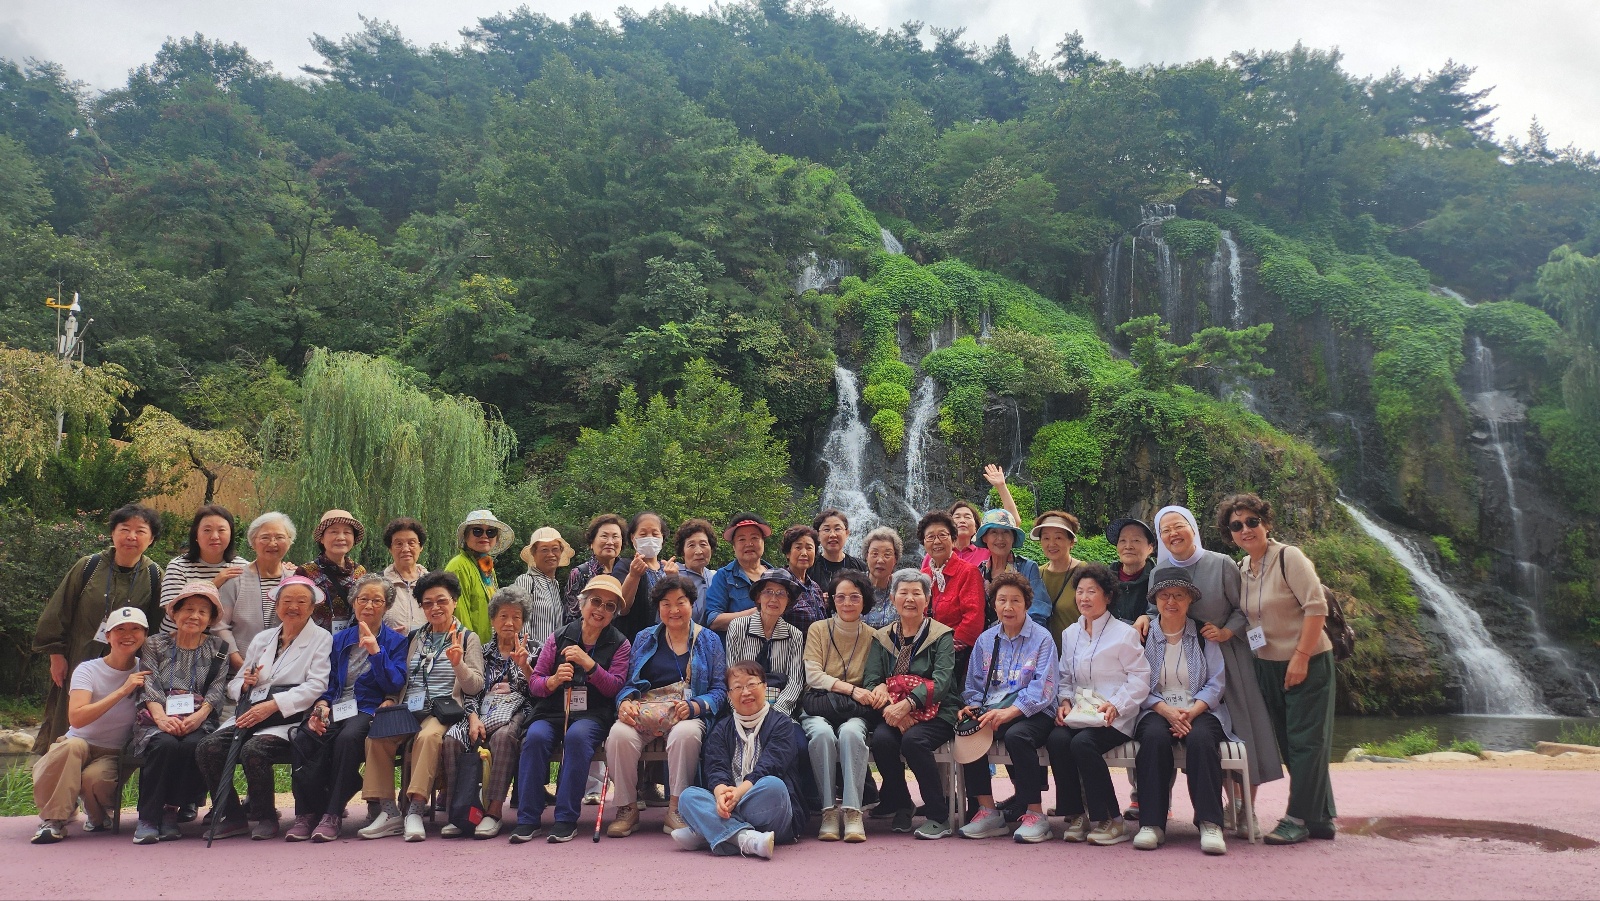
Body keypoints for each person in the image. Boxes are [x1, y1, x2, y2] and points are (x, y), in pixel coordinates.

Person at [1220, 493, 1337, 845]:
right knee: (1291, 742)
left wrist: (1301, 656)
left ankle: (1297, 818)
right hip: (1267, 665)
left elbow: (1316, 607)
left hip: (1307, 661)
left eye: (1252, 521)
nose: (1245, 529)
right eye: (1236, 525)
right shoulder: (1242, 568)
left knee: (1305, 742)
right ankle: (1321, 817)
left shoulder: (1289, 557)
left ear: (1266, 523)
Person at [1144, 505, 1282, 795]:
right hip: (1182, 666)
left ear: (1193, 529)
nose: (1173, 533)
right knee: (1203, 736)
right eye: (1165, 530)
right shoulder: (1158, 570)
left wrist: (1225, 631)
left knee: (1243, 728)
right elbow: (1155, 610)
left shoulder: (1220, 564)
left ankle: (1245, 806)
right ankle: (1218, 802)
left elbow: (1244, 609)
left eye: (1179, 526)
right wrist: (1143, 618)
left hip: (1228, 658)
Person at [197, 574, 332, 841]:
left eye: (301, 602)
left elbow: (317, 685)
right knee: (207, 747)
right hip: (253, 712)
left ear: (312, 607)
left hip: (290, 717)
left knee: (254, 749)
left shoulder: (321, 638)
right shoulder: (263, 639)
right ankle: (232, 815)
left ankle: (265, 815)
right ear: (277, 605)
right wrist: (245, 684)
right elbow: (234, 685)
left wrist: (273, 705)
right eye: (287, 601)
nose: (293, 607)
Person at [360, 571, 485, 842]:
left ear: (454, 602)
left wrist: (458, 665)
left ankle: (415, 809)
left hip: (442, 709)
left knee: (428, 737)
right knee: (377, 737)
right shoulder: (416, 636)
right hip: (409, 707)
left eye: (441, 601)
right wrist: (391, 698)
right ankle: (389, 811)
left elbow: (475, 686)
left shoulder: (467, 638)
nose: (435, 608)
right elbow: (402, 676)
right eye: (427, 603)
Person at [33, 503, 163, 751]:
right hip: (80, 655)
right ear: (113, 533)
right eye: (124, 529)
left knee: (118, 717)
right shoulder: (89, 566)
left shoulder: (154, 574)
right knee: (68, 715)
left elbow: (157, 626)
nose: (131, 536)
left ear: (151, 539)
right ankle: (57, 764)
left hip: (127, 663)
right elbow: (60, 608)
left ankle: (109, 768)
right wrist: (56, 655)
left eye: (140, 531)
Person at [605, 575, 726, 837]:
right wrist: (625, 702)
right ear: (658, 607)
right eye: (666, 603)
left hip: (686, 713)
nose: (674, 610)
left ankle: (676, 809)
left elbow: (720, 690)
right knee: (618, 734)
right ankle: (627, 808)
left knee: (686, 734)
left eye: (680, 602)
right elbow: (628, 683)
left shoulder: (709, 640)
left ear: (692, 604)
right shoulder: (644, 638)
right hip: (646, 709)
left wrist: (696, 706)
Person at [513, 576, 631, 843]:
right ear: (582, 603)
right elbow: (536, 684)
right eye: (596, 601)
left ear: (614, 613)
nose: (600, 610)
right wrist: (554, 680)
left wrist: (590, 665)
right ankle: (528, 818)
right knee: (535, 737)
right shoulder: (559, 637)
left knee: (577, 737)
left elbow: (615, 687)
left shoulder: (620, 643)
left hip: (593, 713)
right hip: (553, 709)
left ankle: (566, 818)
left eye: (609, 606)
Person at [291, 574, 407, 841]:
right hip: (336, 705)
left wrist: (376, 653)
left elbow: (395, 682)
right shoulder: (339, 639)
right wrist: (322, 704)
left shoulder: (396, 641)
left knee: (347, 738)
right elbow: (328, 680)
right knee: (304, 736)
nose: (369, 605)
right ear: (354, 603)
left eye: (377, 600)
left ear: (387, 606)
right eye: (363, 599)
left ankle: (332, 814)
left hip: (367, 708)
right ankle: (305, 813)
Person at [1132, 568, 1235, 855]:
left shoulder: (1204, 634)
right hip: (1155, 707)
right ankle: (1151, 824)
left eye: (1178, 595)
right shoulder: (1142, 635)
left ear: (1190, 599)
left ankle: (1210, 823)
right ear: (1156, 600)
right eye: (1164, 595)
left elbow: (1216, 682)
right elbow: (1135, 680)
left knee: (1202, 739)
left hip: (1199, 709)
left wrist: (1191, 711)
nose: (1171, 601)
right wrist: (1165, 710)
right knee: (1154, 738)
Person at [1045, 563, 1150, 846]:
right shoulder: (1070, 633)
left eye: (1092, 591)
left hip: (1115, 715)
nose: (1084, 598)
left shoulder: (1124, 633)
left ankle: (1112, 820)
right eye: (1080, 591)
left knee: (1083, 744)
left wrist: (1116, 704)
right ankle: (1076, 814)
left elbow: (1140, 678)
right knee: (1057, 739)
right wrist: (1064, 702)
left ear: (1108, 596)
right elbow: (1065, 676)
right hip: (1081, 712)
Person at [29, 606, 148, 844]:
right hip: (79, 742)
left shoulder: (146, 670)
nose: (128, 635)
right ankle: (53, 820)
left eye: (135, 629)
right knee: (70, 747)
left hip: (113, 751)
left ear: (144, 635)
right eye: (120, 629)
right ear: (108, 636)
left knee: (96, 779)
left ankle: (96, 814)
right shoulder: (88, 669)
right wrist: (123, 690)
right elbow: (77, 718)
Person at [957, 572, 1059, 844]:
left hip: (1035, 711)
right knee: (970, 731)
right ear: (994, 604)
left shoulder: (1042, 638)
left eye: (1016, 600)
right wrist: (973, 707)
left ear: (1027, 604)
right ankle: (988, 811)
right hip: (994, 708)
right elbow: (974, 684)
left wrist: (1011, 712)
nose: (1008, 607)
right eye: (1002, 600)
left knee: (1018, 736)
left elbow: (1044, 688)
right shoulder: (986, 639)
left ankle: (1035, 814)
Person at [127, 582, 230, 844]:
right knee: (164, 745)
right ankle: (148, 818)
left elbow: (216, 690)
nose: (194, 616)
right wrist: (162, 719)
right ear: (175, 613)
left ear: (210, 619)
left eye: (202, 612)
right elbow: (149, 684)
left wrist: (198, 717)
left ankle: (171, 811)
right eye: (188, 609)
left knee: (195, 745)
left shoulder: (219, 647)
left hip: (199, 718)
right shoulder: (154, 644)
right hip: (157, 716)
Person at [671, 661, 807, 859]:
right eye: (737, 687)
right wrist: (720, 794)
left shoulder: (782, 723)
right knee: (687, 797)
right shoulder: (722, 728)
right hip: (729, 801)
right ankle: (745, 839)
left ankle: (707, 830)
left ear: (764, 686)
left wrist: (737, 795)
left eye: (751, 684)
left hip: (770, 810)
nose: (746, 692)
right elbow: (715, 768)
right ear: (728, 694)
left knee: (774, 786)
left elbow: (771, 766)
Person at [863, 568, 960, 840]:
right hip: (894, 711)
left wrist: (907, 705)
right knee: (882, 739)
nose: (909, 599)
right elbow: (871, 681)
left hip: (939, 711)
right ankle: (902, 803)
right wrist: (891, 709)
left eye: (916, 593)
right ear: (892, 598)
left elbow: (942, 682)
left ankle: (938, 816)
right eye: (903, 592)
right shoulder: (883, 637)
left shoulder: (940, 635)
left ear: (927, 600)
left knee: (914, 741)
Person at [441, 585, 536, 839]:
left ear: (523, 621)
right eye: (503, 616)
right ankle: (459, 812)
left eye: (516, 617)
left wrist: (525, 668)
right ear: (493, 619)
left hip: (517, 712)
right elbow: (470, 690)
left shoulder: (534, 649)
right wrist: (472, 718)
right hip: (480, 711)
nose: (509, 622)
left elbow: (538, 692)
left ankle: (493, 812)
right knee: (452, 738)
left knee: (503, 737)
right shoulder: (482, 651)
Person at [802, 571, 877, 843]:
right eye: (840, 597)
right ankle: (828, 811)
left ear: (864, 600)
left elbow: (876, 677)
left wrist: (867, 691)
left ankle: (853, 811)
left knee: (851, 734)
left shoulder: (873, 636)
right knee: (822, 735)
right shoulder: (818, 629)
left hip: (854, 710)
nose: (847, 603)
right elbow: (813, 675)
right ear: (832, 600)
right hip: (819, 703)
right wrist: (851, 689)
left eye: (854, 597)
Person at [216, 511, 297, 670]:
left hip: (284, 670)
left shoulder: (296, 580)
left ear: (290, 541)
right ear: (253, 542)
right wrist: (236, 660)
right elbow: (220, 625)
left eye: (280, 537)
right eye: (265, 537)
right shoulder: (236, 579)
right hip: (239, 669)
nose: (272, 543)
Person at [158, 504, 251, 628]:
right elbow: (173, 611)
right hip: (177, 637)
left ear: (231, 534)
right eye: (207, 530)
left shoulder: (242, 567)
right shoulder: (178, 566)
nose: (214, 536)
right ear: (196, 535)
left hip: (224, 639)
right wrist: (213, 584)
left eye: (221, 530)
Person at [917, 511, 984, 679]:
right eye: (930, 537)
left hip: (954, 658)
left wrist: (943, 651)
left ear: (953, 539)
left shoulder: (968, 572)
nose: (937, 541)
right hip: (924, 653)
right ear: (924, 543)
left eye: (942, 535)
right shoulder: (923, 576)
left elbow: (973, 619)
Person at [443, 509, 515, 644]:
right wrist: (470, 647)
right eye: (477, 531)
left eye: (491, 532)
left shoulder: (487, 567)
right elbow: (459, 614)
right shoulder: (458, 566)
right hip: (469, 647)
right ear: (466, 536)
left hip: (488, 646)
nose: (485, 536)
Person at [935, 463, 1022, 569]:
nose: (962, 520)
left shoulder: (988, 551)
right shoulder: (938, 552)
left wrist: (1001, 486)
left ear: (976, 527)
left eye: (967, 517)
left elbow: (1013, 522)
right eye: (957, 517)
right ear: (948, 526)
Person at [297, 510, 368, 634]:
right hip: (316, 641)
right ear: (322, 538)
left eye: (347, 532)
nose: (341, 537)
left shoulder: (359, 572)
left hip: (352, 640)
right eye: (334, 532)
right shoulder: (306, 572)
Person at [974, 509, 1048, 627]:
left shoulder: (1027, 568)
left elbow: (1038, 611)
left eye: (1006, 532)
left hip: (1022, 635)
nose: (1000, 538)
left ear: (1013, 538)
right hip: (985, 637)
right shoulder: (978, 572)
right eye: (994, 532)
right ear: (984, 538)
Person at [702, 512, 773, 631]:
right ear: (734, 547)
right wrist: (756, 614)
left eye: (754, 538)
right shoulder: (724, 576)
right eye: (741, 539)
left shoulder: (776, 576)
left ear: (763, 542)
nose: (749, 544)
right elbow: (713, 620)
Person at [513, 526, 575, 652]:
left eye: (555, 549)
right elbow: (520, 625)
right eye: (544, 550)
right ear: (534, 553)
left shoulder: (554, 585)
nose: (551, 554)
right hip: (532, 657)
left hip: (552, 657)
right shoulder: (526, 581)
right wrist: (529, 656)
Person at [617, 510, 676, 640]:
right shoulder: (625, 566)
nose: (650, 538)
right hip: (634, 641)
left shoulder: (668, 568)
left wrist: (674, 580)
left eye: (655, 534)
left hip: (666, 641)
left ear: (662, 538)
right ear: (633, 537)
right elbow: (621, 609)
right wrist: (633, 576)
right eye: (643, 534)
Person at [563, 514, 630, 624]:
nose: (610, 542)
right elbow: (571, 618)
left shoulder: (630, 571)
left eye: (615, 537)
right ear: (591, 542)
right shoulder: (580, 573)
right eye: (604, 536)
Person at [1032, 511, 1088, 641]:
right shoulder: (1037, 574)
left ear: (1071, 542)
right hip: (1043, 651)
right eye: (1046, 538)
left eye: (1058, 538)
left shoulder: (1085, 572)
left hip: (1077, 650)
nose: (1052, 544)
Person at [380, 517, 429, 634]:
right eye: (399, 544)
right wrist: (382, 634)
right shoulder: (379, 583)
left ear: (421, 547)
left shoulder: (432, 583)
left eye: (411, 543)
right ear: (390, 549)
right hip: (389, 645)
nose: (406, 549)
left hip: (427, 645)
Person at [1105, 517, 1157, 626]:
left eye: (1136, 540)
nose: (1128, 546)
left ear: (1150, 548)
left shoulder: (1159, 581)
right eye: (1122, 540)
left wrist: (1148, 618)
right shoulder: (1104, 579)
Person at [776, 524, 828, 633]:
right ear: (788, 553)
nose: (804, 553)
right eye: (798, 547)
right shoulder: (779, 584)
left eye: (809, 548)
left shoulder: (815, 587)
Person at [674, 518, 718, 622]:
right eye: (691, 545)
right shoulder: (673, 575)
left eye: (703, 544)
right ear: (682, 551)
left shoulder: (716, 577)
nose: (698, 551)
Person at [811, 509, 867, 588]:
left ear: (847, 533)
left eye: (837, 529)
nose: (833, 535)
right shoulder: (810, 567)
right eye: (826, 529)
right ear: (818, 535)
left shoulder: (860, 567)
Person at [859, 527, 902, 629]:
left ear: (895, 559)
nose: (880, 560)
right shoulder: (854, 585)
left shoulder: (901, 588)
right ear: (866, 556)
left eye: (887, 555)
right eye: (875, 554)